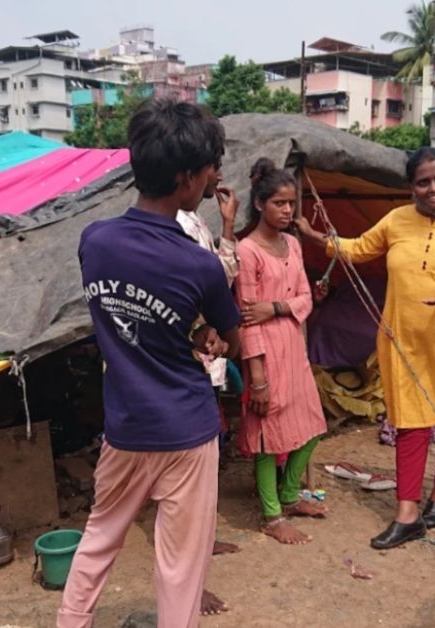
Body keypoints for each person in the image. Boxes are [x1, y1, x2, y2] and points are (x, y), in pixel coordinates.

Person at [58, 97, 241, 628]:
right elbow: (229, 334)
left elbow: (131, 320)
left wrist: (187, 331)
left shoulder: (95, 241)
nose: (214, 177)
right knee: (181, 564)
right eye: (210, 170)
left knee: (98, 539)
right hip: (186, 428)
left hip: (125, 426)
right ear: (187, 179)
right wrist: (207, 334)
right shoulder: (198, 263)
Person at [296, 147, 435, 549]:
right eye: (423, 182)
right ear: (410, 186)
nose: (433, 189)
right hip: (404, 341)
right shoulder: (396, 220)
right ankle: (407, 513)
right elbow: (358, 248)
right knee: (411, 423)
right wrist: (315, 237)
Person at [234, 158, 329, 545]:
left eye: (292, 203)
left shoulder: (292, 243)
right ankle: (272, 516)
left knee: (311, 426)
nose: (288, 211)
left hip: (293, 344)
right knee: (265, 434)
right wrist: (256, 379)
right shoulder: (246, 251)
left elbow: (305, 296)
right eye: (280, 203)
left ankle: (290, 495)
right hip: (266, 354)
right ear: (259, 204)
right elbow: (246, 319)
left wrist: (276, 306)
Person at [178, 159, 241, 617]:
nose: (219, 178)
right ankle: (187, 584)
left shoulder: (197, 221)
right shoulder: (172, 227)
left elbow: (224, 275)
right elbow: (214, 282)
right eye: (213, 169)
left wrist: (228, 225)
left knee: (207, 461)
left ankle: (201, 540)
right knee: (181, 480)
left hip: (207, 360)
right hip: (188, 361)